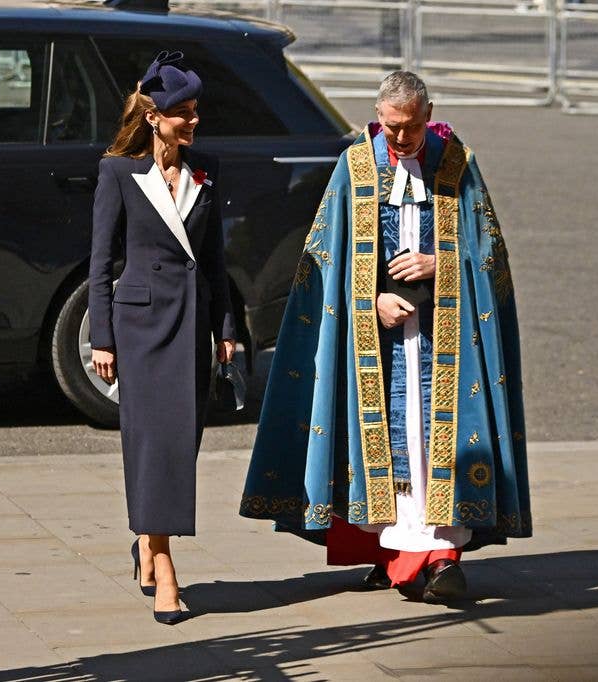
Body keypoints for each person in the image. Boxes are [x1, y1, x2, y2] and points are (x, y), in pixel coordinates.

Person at [239, 71, 531, 601]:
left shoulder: (458, 165)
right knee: (388, 446)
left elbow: (490, 259)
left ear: (429, 113)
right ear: (378, 118)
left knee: (435, 443)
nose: (400, 139)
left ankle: (441, 555)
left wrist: (441, 263)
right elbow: (324, 264)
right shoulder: (354, 167)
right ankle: (397, 553)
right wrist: (368, 301)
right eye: (392, 128)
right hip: (377, 343)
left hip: (446, 343)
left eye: (411, 127)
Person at [88, 51, 235, 625]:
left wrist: (227, 331)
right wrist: (102, 337)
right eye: (184, 113)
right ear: (155, 116)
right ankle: (166, 564)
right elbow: (100, 262)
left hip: (193, 325)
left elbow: (216, 261)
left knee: (181, 445)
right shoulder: (117, 172)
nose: (193, 121)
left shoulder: (206, 169)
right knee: (151, 445)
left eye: (196, 111)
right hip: (141, 329)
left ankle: (147, 542)